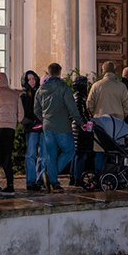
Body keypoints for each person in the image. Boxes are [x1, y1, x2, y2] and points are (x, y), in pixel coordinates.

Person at [33, 63, 85, 192]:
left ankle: (54, 181)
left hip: (47, 127)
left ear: (49, 72)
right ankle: (52, 177)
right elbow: (72, 108)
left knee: (51, 154)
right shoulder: (63, 88)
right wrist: (81, 122)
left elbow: (36, 110)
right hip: (63, 126)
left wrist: (44, 119)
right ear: (59, 72)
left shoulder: (41, 89)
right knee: (69, 151)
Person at [87, 61, 128, 170]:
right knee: (116, 150)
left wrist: (94, 115)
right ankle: (114, 173)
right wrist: (122, 116)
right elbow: (127, 105)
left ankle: (98, 174)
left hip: (100, 122)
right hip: (117, 123)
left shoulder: (96, 86)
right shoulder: (121, 86)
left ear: (103, 71)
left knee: (100, 150)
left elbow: (89, 104)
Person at [20, 70, 45, 192]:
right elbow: (23, 114)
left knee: (43, 155)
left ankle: (40, 179)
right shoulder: (24, 96)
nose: (32, 81)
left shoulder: (41, 93)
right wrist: (31, 122)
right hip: (31, 128)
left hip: (43, 127)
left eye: (33, 78)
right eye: (29, 79)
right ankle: (30, 181)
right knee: (30, 155)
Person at [69, 75, 94, 186]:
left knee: (77, 154)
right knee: (80, 154)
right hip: (80, 129)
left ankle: (73, 177)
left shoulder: (78, 97)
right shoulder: (79, 98)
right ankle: (77, 177)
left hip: (77, 128)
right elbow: (79, 113)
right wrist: (86, 124)